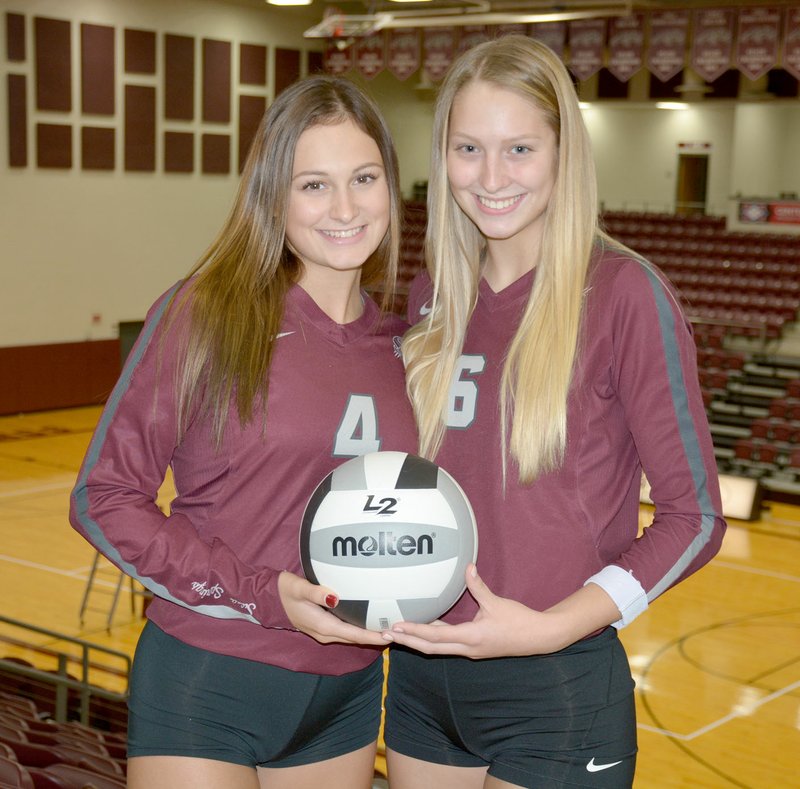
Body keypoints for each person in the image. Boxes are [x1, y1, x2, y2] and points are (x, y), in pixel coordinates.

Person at [382, 35, 727, 789]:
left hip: (555, 688)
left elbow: (694, 516)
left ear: (564, 154)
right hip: (419, 680)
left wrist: (552, 625)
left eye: (520, 149)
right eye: (469, 147)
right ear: (443, 157)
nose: (492, 176)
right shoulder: (431, 296)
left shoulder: (626, 295)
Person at [69, 75, 417, 789]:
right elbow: (103, 496)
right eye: (313, 185)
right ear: (272, 195)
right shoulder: (207, 314)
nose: (346, 208)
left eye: (363, 178)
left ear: (391, 185)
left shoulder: (408, 341)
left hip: (349, 693)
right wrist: (264, 592)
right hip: (210, 681)